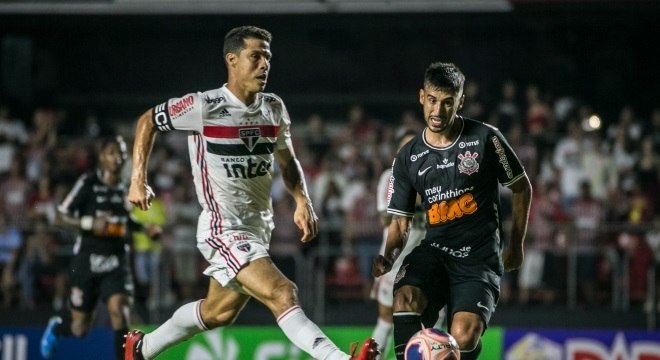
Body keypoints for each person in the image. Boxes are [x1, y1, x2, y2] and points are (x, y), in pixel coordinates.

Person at [123, 25, 379, 360]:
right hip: (223, 228)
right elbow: (147, 121)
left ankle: (140, 349)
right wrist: (137, 179)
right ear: (232, 59)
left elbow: (288, 162)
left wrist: (302, 200)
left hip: (258, 228)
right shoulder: (205, 105)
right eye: (255, 57)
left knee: (218, 313)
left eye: (267, 57)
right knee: (283, 292)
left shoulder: (273, 107)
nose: (264, 65)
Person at [372, 62, 532, 360]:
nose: (438, 110)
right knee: (405, 298)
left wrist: (516, 245)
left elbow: (522, 187)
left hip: (478, 259)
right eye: (432, 100)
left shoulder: (487, 139)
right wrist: (389, 255)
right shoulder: (407, 157)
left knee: (463, 336)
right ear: (422, 96)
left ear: (460, 101)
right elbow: (400, 223)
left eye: (448, 103)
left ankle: (467, 350)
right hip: (435, 250)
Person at [40, 135, 156, 360]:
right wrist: (89, 223)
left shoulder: (126, 188)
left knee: (119, 311)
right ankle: (58, 326)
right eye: (112, 152)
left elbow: (127, 221)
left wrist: (145, 229)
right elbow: (59, 216)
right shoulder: (88, 183)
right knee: (79, 328)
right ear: (102, 157)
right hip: (87, 260)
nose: (118, 158)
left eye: (122, 153)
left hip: (116, 260)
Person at [370, 130, 447, 357]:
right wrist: (416, 198)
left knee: (435, 317)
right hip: (396, 258)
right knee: (386, 317)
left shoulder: (438, 175)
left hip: (429, 257)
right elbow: (385, 217)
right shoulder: (391, 177)